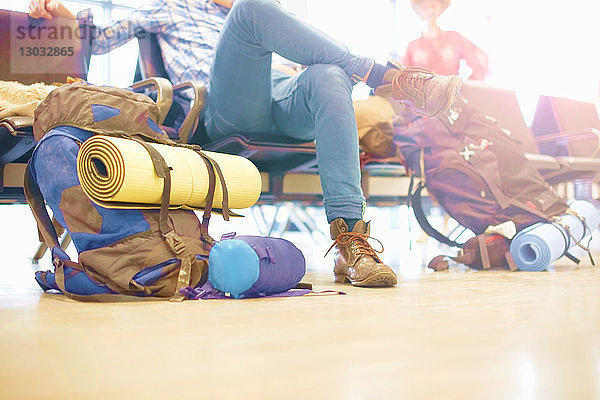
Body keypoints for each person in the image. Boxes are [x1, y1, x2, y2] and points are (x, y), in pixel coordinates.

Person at [29, 0, 463, 287]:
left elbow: (301, 67)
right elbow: (100, 36)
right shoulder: (176, 7)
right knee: (254, 9)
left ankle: (351, 241)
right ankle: (388, 77)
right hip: (226, 104)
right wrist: (61, 13)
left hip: (282, 95)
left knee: (328, 73)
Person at [403, 0, 488, 81]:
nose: (430, 11)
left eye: (433, 5)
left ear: (441, 7)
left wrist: (464, 88)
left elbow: (480, 61)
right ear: (418, 10)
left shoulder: (455, 38)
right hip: (420, 96)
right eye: (425, 7)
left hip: (451, 95)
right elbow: (402, 76)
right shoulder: (412, 46)